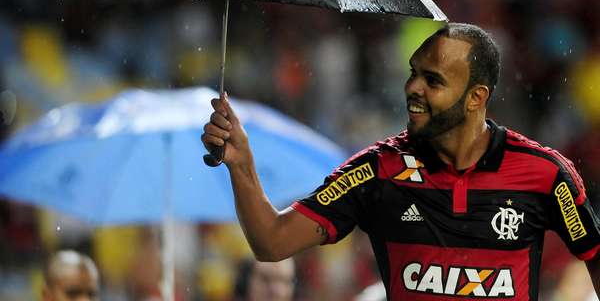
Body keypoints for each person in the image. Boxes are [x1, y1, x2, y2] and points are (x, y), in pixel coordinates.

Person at [202, 23, 600, 300]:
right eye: (414, 73)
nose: (413, 88)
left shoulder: (547, 175)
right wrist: (241, 163)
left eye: (434, 81)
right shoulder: (378, 170)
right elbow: (272, 241)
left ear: (477, 97)